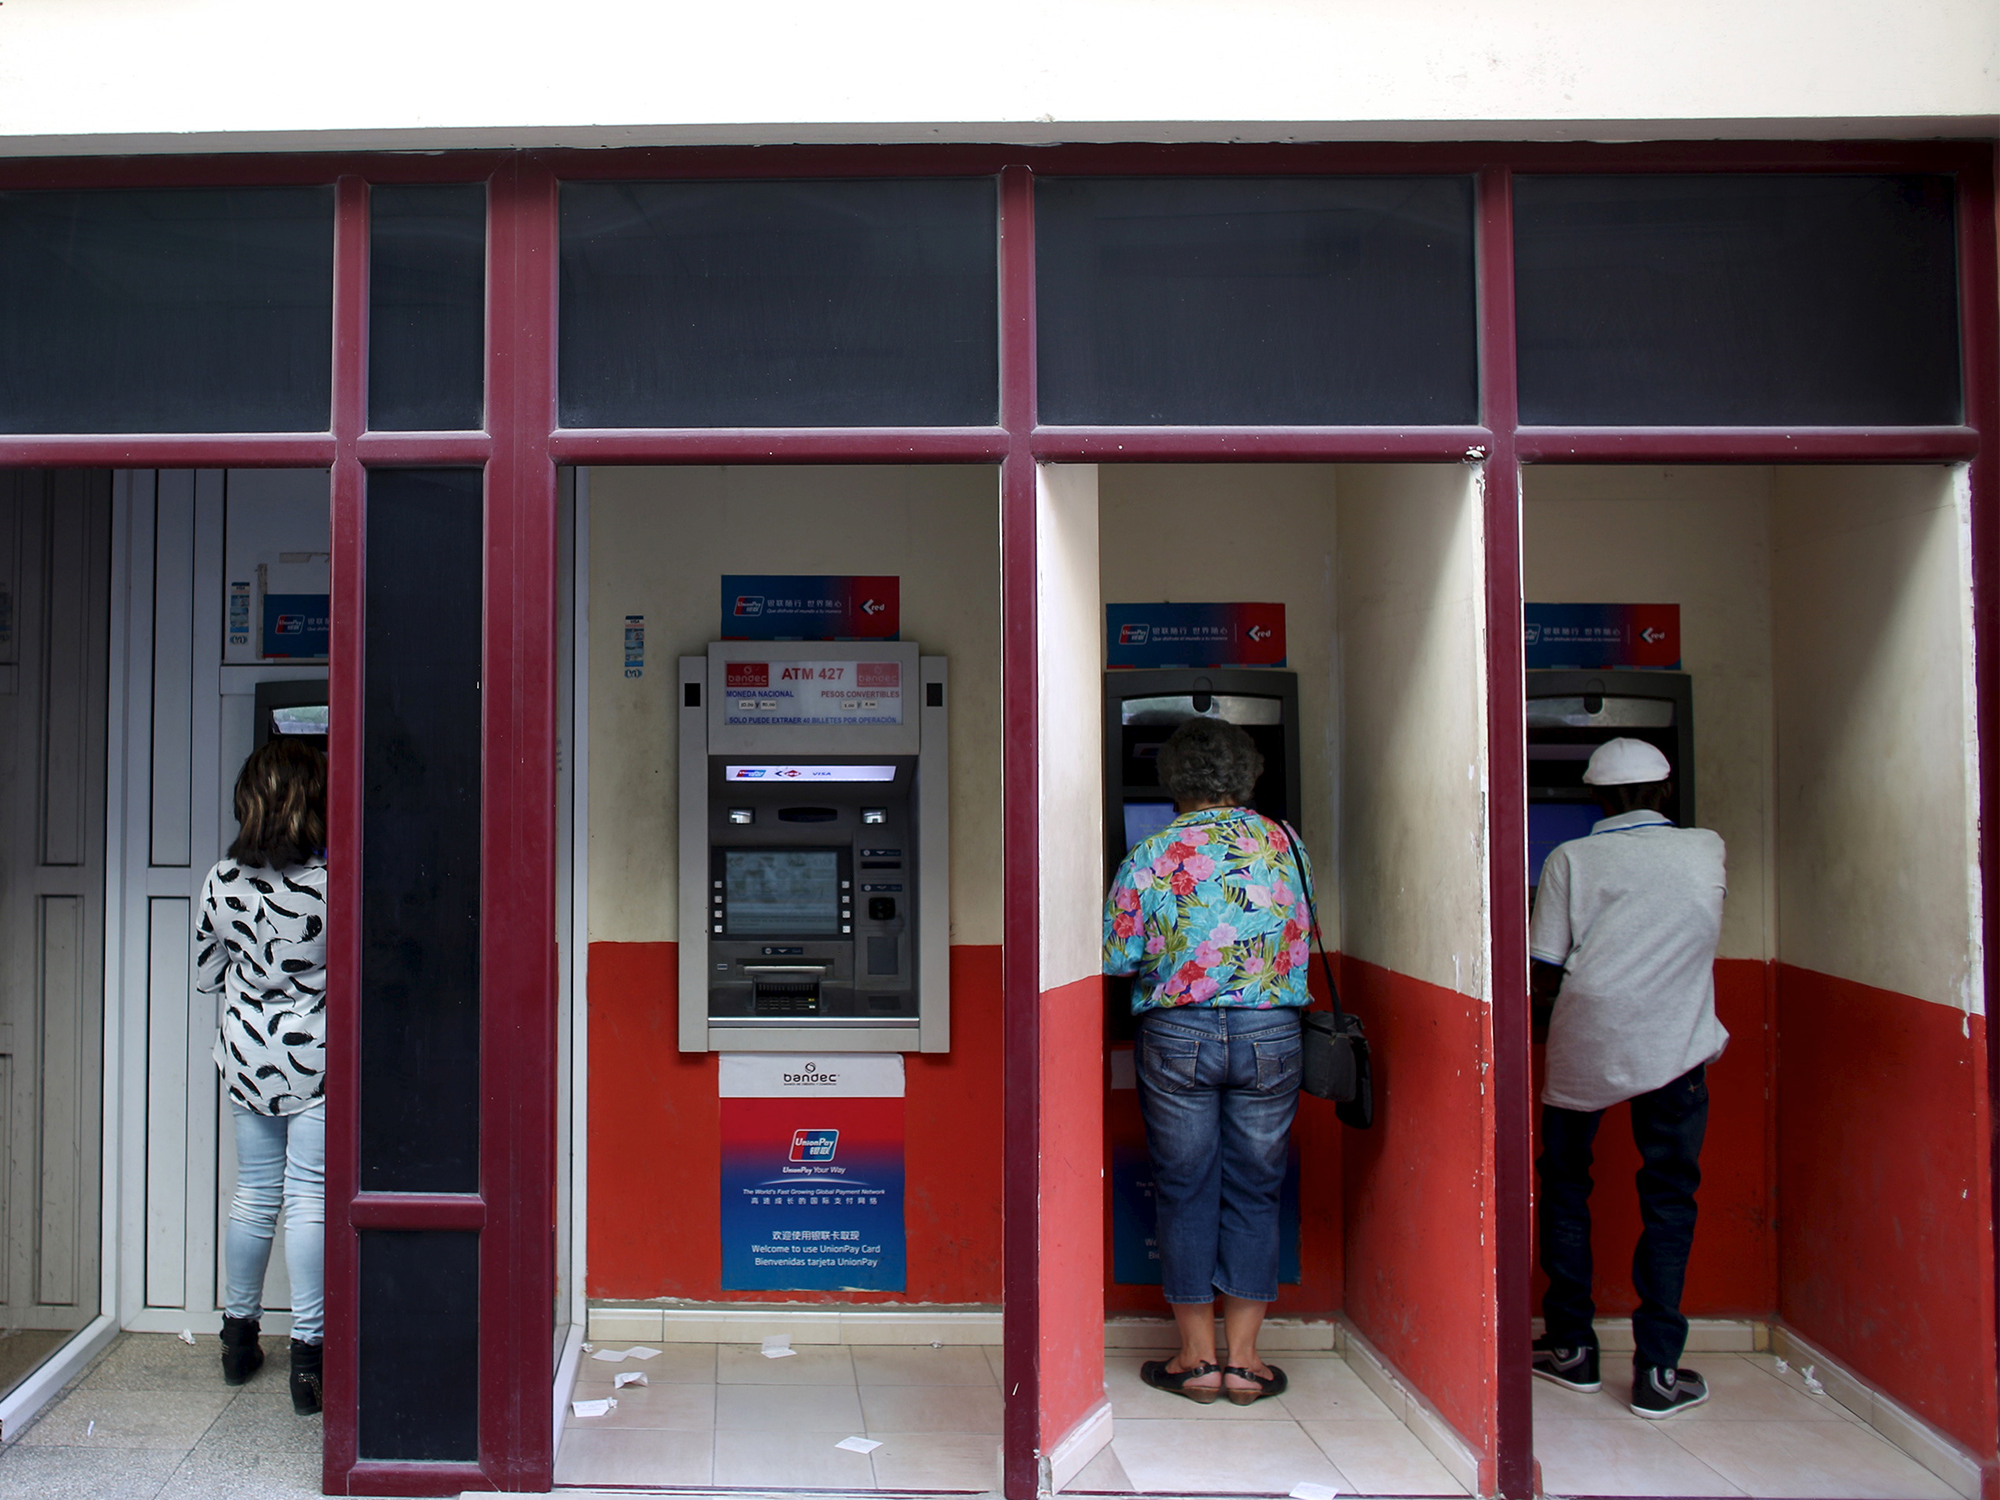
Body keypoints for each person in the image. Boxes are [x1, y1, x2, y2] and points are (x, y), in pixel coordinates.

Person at [1103, 715, 1312, 1406]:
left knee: (1184, 1185)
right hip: (1271, 1033)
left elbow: (1119, 956)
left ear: (1172, 781)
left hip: (1178, 1034)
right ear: (1247, 776)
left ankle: (1195, 1360)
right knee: (1257, 1186)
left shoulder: (1151, 852)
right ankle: (1245, 1363)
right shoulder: (1285, 845)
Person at [1528, 737, 1727, 1418]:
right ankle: (1659, 1371)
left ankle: (1572, 1347)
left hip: (1587, 1041)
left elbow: (1544, 967)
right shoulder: (1707, 847)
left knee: (1565, 1187)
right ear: (1666, 790)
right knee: (1669, 1198)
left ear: (1594, 797)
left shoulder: (1569, 857)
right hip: (1678, 1045)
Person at [195, 737, 329, 1415]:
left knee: (253, 1196)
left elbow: (205, 975)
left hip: (247, 1058)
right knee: (309, 1199)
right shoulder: (335, 883)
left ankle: (237, 1339)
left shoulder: (221, 880)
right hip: (317, 1060)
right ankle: (309, 1360)